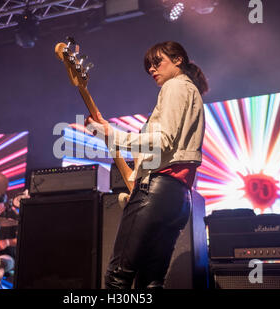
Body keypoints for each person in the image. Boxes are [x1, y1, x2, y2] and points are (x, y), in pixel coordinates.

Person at [85, 41, 208, 289]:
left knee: (118, 277)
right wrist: (107, 133)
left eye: (157, 62)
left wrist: (110, 136)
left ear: (178, 60)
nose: (152, 69)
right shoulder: (190, 91)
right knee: (151, 282)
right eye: (148, 66)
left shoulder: (174, 87)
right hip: (179, 198)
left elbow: (161, 142)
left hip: (158, 190)